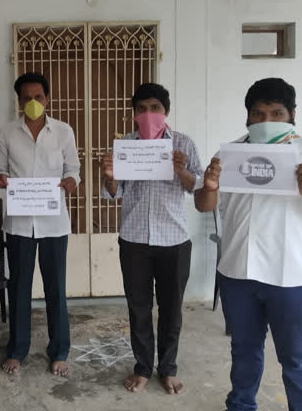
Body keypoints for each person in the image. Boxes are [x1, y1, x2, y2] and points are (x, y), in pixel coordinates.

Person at [195, 78, 302, 411]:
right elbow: (204, 205)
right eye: (258, 113)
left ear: (292, 114)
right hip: (238, 273)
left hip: (290, 277)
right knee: (244, 351)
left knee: (296, 359)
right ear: (248, 117)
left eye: (276, 113)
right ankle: (240, 406)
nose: (267, 121)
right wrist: (209, 185)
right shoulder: (229, 155)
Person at [101, 83, 202, 395]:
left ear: (166, 112)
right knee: (139, 308)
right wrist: (109, 178)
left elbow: (198, 188)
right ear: (134, 115)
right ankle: (143, 367)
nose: (148, 114)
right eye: (142, 109)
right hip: (134, 239)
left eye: (154, 108)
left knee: (171, 309)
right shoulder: (126, 147)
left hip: (174, 240)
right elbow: (113, 195)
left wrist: (182, 171)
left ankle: (168, 369)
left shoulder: (183, 144)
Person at [0, 72, 81, 377]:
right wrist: (0, 178)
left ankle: (59, 350)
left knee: (55, 288)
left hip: (53, 223)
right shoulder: (7, 133)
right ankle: (18, 349)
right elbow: (0, 170)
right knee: (19, 287)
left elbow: (74, 169)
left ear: (48, 98)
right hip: (19, 223)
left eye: (38, 97)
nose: (33, 102)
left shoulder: (63, 131)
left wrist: (72, 181)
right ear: (19, 101)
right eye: (26, 98)